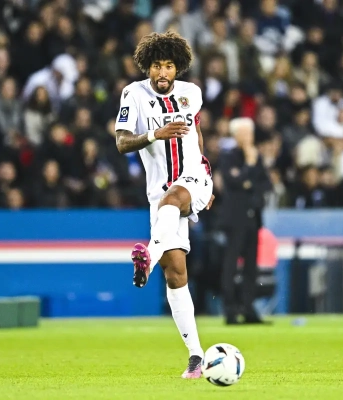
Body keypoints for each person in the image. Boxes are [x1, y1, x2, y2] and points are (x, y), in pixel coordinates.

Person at [114, 31, 215, 379]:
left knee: (174, 198)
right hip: (158, 193)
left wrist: (206, 174)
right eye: (157, 65)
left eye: (169, 66)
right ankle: (196, 357)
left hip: (192, 179)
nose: (163, 72)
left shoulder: (191, 93)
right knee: (176, 275)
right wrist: (154, 134)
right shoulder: (134, 94)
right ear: (147, 66)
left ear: (178, 68)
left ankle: (148, 256)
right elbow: (122, 142)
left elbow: (197, 134)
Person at [218, 118, 272, 325]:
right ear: (236, 135)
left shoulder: (257, 156)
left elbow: (266, 184)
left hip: (253, 217)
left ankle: (249, 309)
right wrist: (249, 166)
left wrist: (247, 180)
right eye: (245, 133)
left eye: (251, 133)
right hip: (235, 219)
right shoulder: (228, 156)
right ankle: (230, 311)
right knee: (231, 265)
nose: (250, 137)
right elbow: (234, 181)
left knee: (251, 267)